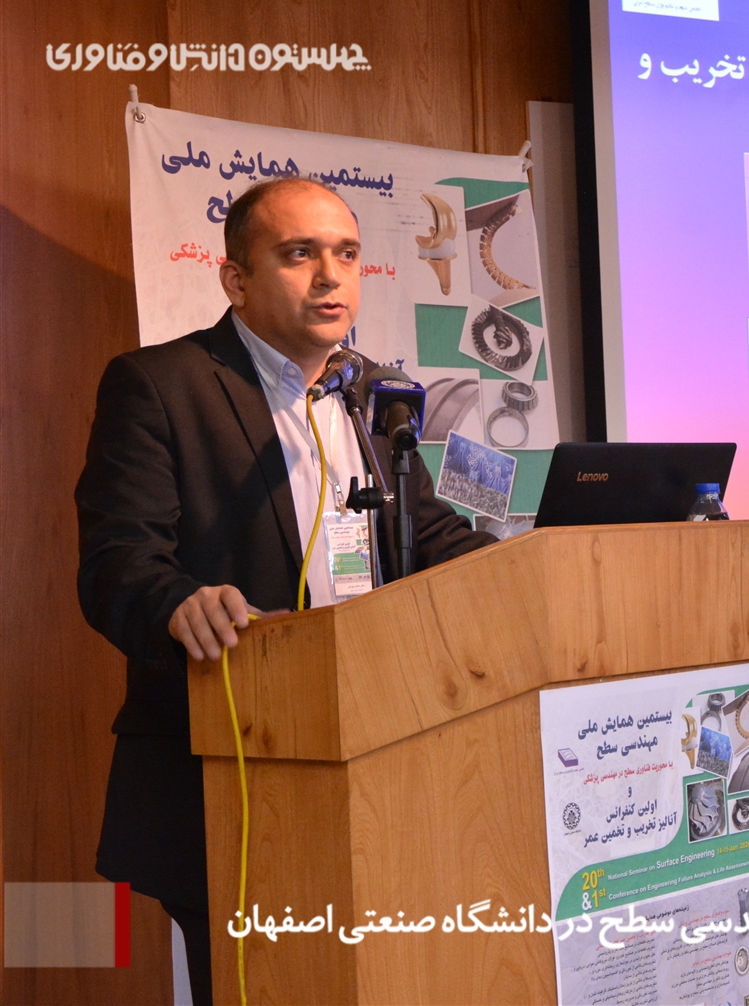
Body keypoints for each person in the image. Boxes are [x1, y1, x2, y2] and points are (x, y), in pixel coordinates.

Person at [76, 178, 496, 1004]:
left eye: (346, 254)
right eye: (299, 254)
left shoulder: (372, 396)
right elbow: (118, 561)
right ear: (236, 280)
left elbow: (430, 538)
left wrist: (535, 562)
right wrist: (178, 604)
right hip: (228, 768)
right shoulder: (160, 385)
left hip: (379, 760)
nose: (330, 276)